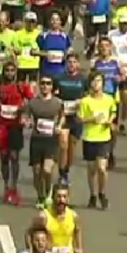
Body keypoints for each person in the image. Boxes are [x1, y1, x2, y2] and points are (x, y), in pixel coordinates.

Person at [0, 62, 34, 205]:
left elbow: (32, 102)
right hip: (1, 126)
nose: (9, 73)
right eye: (7, 70)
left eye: (12, 70)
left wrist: (25, 112)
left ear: (15, 72)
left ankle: (13, 187)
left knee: (14, 156)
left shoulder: (21, 87)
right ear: (3, 72)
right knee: (4, 156)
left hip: (16, 126)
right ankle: (6, 186)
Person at [78, 71, 116, 210]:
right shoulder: (85, 101)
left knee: (102, 168)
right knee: (91, 169)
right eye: (94, 81)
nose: (96, 84)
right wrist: (92, 119)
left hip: (104, 138)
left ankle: (102, 193)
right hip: (89, 138)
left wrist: (109, 121)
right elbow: (80, 119)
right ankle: (92, 195)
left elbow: (113, 111)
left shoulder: (109, 99)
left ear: (103, 83)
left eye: (99, 81)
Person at [25, 76, 64, 209]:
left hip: (51, 140)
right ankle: (40, 196)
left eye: (48, 83)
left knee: (47, 170)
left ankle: (49, 193)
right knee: (37, 171)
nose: (45, 86)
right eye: (42, 83)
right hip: (37, 140)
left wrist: (59, 125)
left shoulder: (57, 102)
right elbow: (26, 117)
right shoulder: (33, 103)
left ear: (52, 86)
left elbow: (62, 116)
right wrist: (27, 122)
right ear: (39, 86)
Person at [54, 55, 87, 187]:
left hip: (76, 117)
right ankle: (61, 173)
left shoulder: (82, 79)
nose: (72, 64)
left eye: (74, 62)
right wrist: (59, 102)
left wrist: (81, 102)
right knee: (63, 145)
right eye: (69, 62)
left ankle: (66, 170)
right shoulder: (59, 78)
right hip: (63, 116)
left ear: (78, 64)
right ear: (66, 64)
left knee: (71, 148)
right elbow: (53, 94)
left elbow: (88, 95)